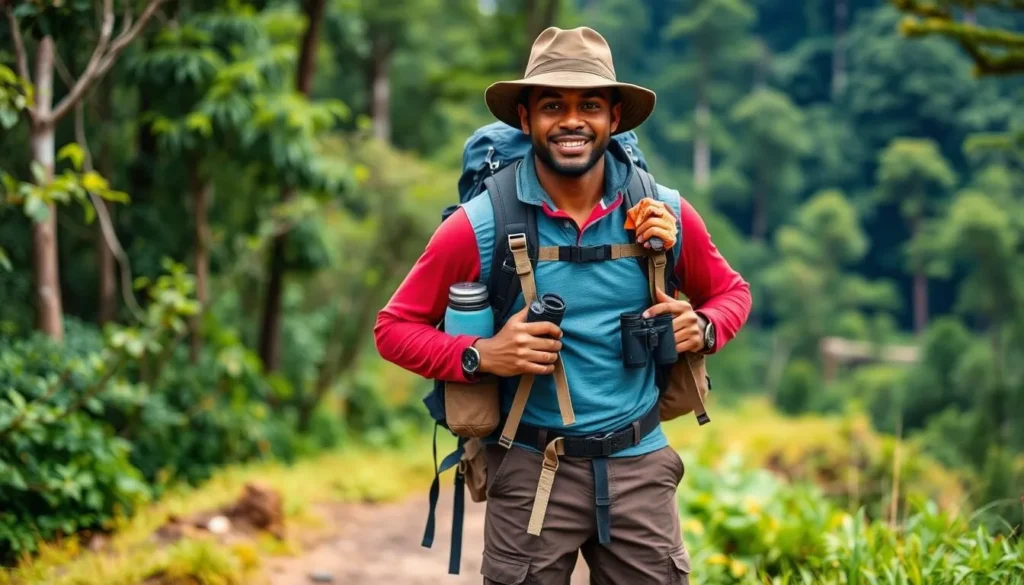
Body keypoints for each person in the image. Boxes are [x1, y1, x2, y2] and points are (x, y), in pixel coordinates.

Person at [374, 26, 751, 585]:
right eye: (553, 104)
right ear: (525, 120)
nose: (572, 120)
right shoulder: (482, 224)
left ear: (614, 118)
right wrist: (483, 355)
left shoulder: (662, 213)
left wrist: (704, 326)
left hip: (640, 466)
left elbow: (732, 293)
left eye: (589, 105)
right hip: (529, 469)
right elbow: (393, 327)